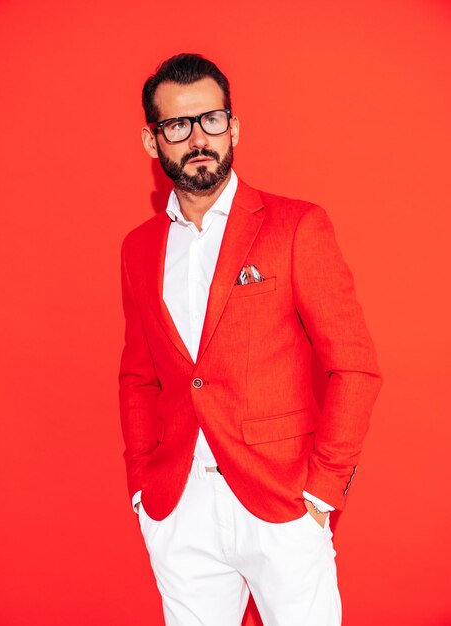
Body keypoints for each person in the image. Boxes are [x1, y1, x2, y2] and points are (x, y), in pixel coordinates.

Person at [118, 53, 381, 626]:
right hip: (178, 506)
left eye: (211, 120)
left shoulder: (295, 226)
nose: (197, 139)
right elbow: (139, 375)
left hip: (282, 500)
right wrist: (143, 486)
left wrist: (322, 493)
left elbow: (355, 367)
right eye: (177, 126)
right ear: (152, 140)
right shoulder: (139, 248)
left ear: (233, 127)